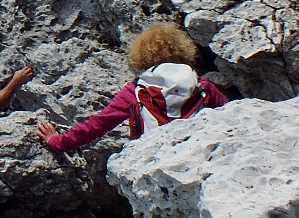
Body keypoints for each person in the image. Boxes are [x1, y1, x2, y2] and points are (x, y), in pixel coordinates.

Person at [37, 23, 228, 153]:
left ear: (142, 56)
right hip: (200, 151)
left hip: (153, 155)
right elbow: (230, 116)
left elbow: (97, 125)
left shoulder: (135, 91)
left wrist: (57, 141)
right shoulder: (202, 85)